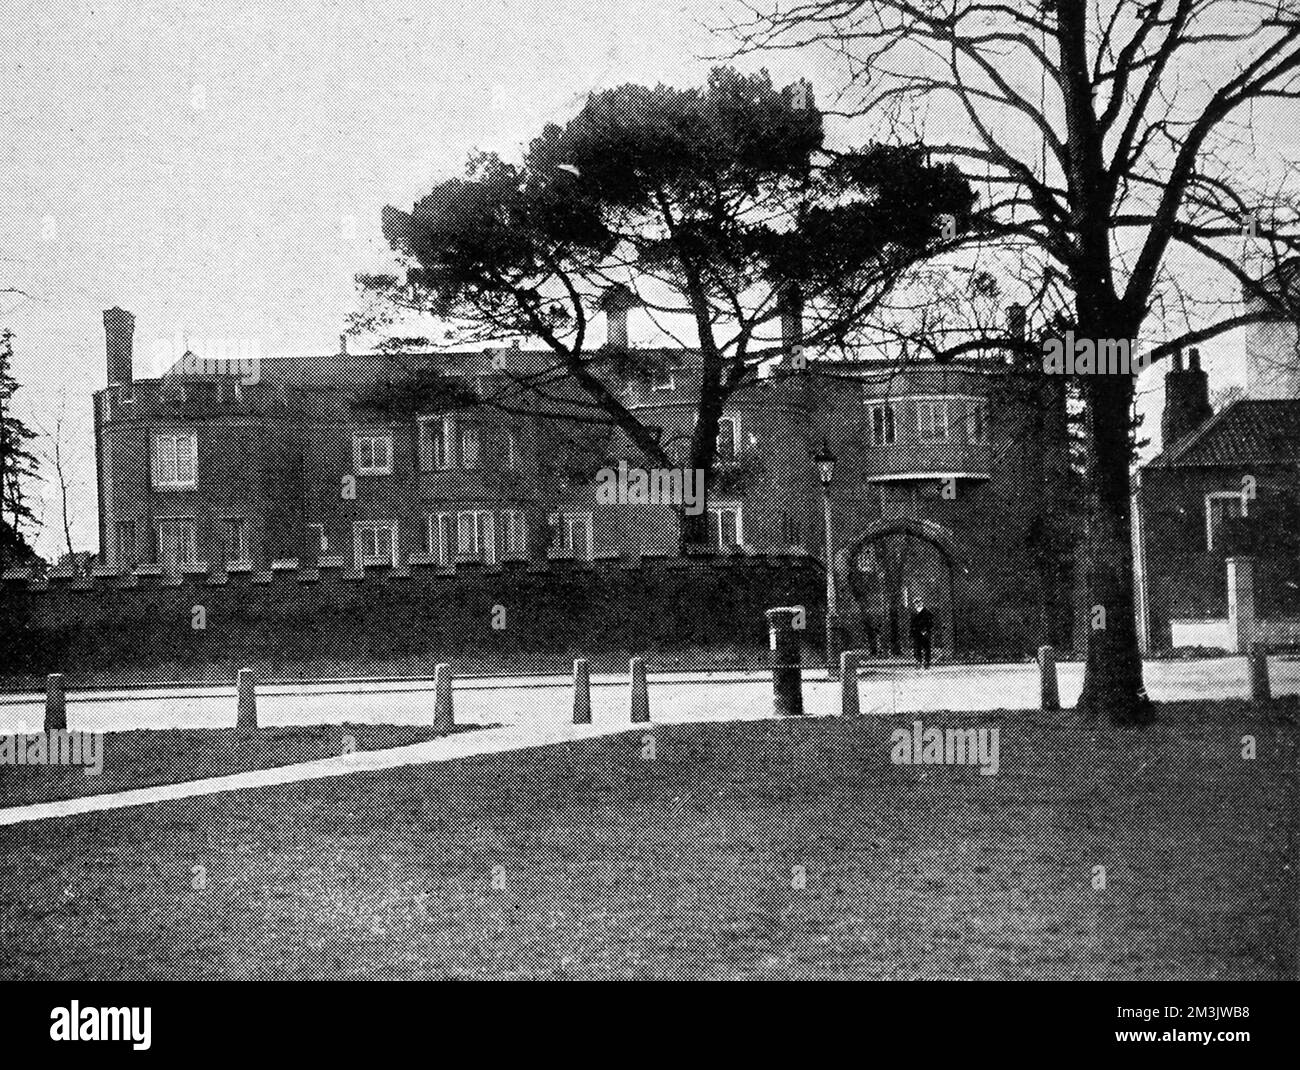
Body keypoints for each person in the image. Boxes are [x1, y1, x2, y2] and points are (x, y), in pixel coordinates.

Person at [910, 600, 933, 669]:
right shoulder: (913, 612)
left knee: (927, 648)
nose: (917, 604)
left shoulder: (927, 612)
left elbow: (930, 622)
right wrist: (913, 632)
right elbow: (912, 623)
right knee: (917, 648)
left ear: (922, 603)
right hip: (917, 633)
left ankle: (927, 663)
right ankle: (918, 662)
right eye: (916, 603)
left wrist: (926, 630)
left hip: (925, 632)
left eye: (919, 602)